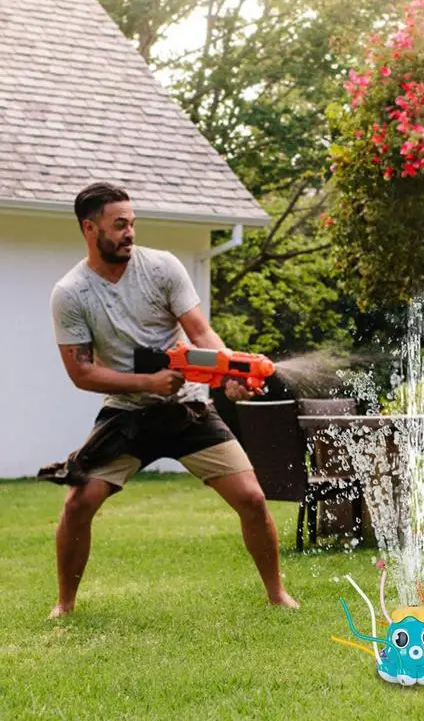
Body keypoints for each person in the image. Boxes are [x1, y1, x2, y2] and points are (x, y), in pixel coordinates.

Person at [46, 182, 298, 618]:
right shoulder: (71, 292)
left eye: (132, 223)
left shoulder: (161, 268)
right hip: (127, 415)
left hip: (189, 408)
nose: (130, 232)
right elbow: (82, 373)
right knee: (79, 501)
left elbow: (201, 334)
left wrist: (229, 374)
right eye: (119, 225)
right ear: (90, 228)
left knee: (253, 499)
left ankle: (276, 594)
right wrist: (146, 383)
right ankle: (65, 606)